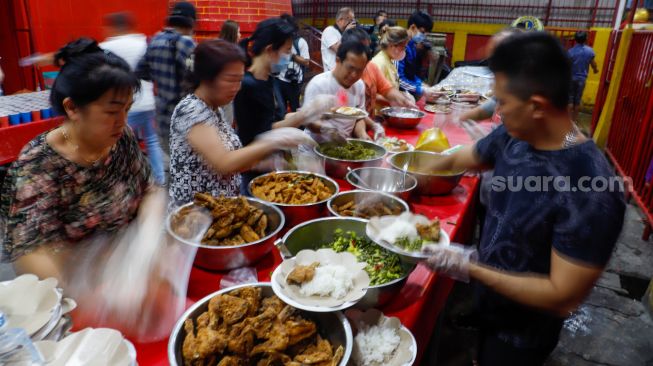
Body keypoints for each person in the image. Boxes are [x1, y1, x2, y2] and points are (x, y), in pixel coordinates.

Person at [422, 32, 625, 365]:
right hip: (490, 303)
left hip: (521, 334)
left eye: (501, 103)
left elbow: (562, 296)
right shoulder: (519, 132)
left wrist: (471, 267)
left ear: (537, 107)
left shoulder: (592, 188)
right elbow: (465, 157)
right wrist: (411, 176)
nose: (496, 112)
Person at [0, 37, 152, 279]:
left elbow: (149, 190)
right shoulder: (37, 165)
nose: (123, 121)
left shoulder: (120, 139)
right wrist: (88, 295)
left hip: (131, 275)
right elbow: (29, 254)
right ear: (72, 108)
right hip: (78, 292)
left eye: (127, 109)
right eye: (112, 111)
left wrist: (149, 238)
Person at [168, 39, 315, 204]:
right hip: (195, 218)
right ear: (206, 77)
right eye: (230, 80)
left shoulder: (215, 109)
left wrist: (273, 163)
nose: (237, 87)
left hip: (223, 207)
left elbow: (233, 157)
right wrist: (273, 141)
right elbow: (224, 162)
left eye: (239, 80)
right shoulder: (191, 110)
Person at [234, 17, 335, 192]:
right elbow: (258, 134)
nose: (289, 57)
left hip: (274, 166)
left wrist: (308, 116)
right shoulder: (247, 86)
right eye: (287, 50)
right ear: (270, 50)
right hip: (256, 173)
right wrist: (302, 116)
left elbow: (275, 119)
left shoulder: (268, 79)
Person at [100, 12, 166, 186]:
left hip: (125, 105)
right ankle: (159, 179)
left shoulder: (106, 47)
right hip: (148, 102)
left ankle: (129, 182)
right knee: (152, 141)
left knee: (123, 143)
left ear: (113, 27)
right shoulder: (144, 42)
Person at [136, 1, 197, 154]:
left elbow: (140, 71)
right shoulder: (186, 43)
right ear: (191, 22)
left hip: (162, 117)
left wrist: (162, 77)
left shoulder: (155, 40)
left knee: (172, 161)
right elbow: (201, 79)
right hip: (186, 119)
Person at [304, 41, 380, 141]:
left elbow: (359, 118)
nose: (354, 75)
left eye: (360, 70)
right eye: (350, 68)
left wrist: (362, 135)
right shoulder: (318, 84)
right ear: (338, 60)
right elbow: (308, 121)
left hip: (343, 146)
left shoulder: (359, 85)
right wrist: (328, 130)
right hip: (313, 149)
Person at [341, 27, 415, 119]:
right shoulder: (378, 63)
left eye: (367, 48)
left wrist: (404, 101)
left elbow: (387, 89)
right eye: (361, 49)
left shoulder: (372, 67)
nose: (367, 52)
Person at [398, 10, 438, 100]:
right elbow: (398, 80)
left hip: (407, 90)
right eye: (422, 32)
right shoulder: (399, 46)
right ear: (412, 27)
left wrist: (421, 84)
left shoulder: (412, 45)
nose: (424, 36)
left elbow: (410, 73)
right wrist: (421, 89)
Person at [276, 14, 311, 116]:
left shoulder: (300, 42)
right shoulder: (279, 41)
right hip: (279, 79)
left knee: (295, 109)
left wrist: (292, 54)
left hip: (294, 81)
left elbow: (306, 62)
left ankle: (297, 130)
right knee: (281, 110)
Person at [568, 31, 598, 122]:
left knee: (570, 99)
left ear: (575, 40)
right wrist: (595, 69)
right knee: (577, 100)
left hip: (571, 78)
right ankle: (574, 121)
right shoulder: (590, 51)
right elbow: (593, 64)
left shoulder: (570, 51)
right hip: (582, 79)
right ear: (586, 39)